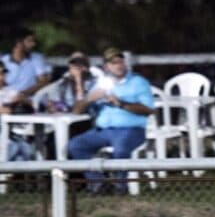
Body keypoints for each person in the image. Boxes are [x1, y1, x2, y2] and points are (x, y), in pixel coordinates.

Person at [68, 48, 154, 195]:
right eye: (113, 63)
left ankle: (121, 187)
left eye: (120, 61)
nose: (118, 65)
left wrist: (121, 103)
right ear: (106, 67)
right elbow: (76, 111)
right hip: (104, 130)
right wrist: (89, 99)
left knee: (120, 149)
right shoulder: (101, 84)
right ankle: (98, 183)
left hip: (131, 130)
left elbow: (148, 110)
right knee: (75, 145)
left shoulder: (138, 82)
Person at [0, 61, 34, 161]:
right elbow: (6, 111)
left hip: (14, 135)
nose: (1, 77)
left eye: (3, 73)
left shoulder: (10, 91)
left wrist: (23, 100)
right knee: (19, 149)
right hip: (5, 137)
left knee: (22, 154)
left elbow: (32, 105)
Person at [1, 28, 50, 97]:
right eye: (29, 41)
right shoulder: (3, 61)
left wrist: (22, 94)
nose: (33, 44)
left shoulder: (36, 58)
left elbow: (43, 81)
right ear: (18, 43)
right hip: (6, 99)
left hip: (29, 100)